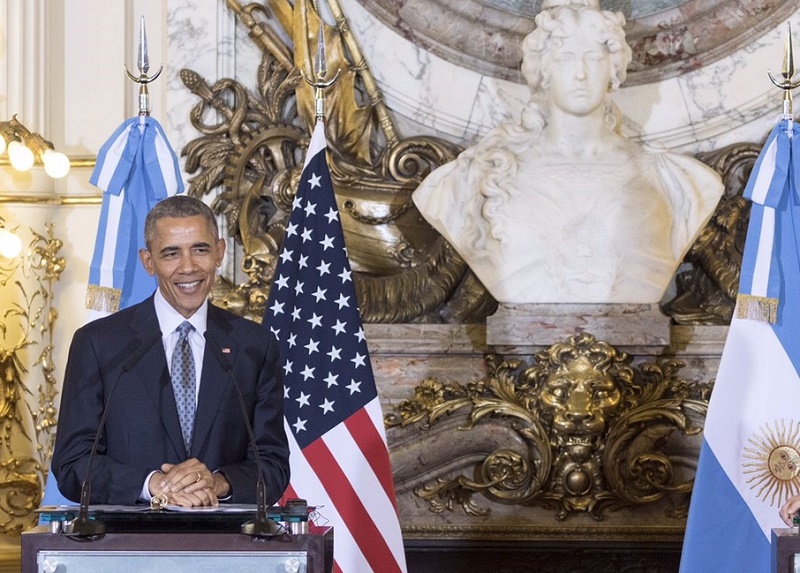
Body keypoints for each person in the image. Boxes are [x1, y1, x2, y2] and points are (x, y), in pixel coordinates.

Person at [412, 0, 723, 304]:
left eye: (593, 58)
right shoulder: (475, 178)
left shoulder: (679, 181)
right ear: (543, 71)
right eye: (565, 59)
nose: (580, 74)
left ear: (614, 69)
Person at [52, 195, 289, 507]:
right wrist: (154, 484)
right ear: (148, 261)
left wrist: (217, 483)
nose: (188, 267)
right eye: (171, 254)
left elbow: (272, 466)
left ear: (219, 252)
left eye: (200, 250)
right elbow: (73, 463)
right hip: (125, 547)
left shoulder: (254, 346)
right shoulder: (99, 344)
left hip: (228, 546)